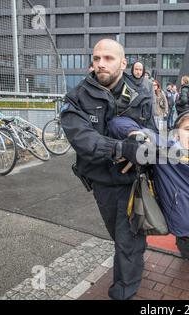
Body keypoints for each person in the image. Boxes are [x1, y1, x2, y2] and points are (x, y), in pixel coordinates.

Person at [60, 39, 155, 300]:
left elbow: (153, 135)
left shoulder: (141, 95)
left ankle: (122, 291)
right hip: (101, 184)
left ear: (123, 63)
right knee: (119, 236)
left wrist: (144, 145)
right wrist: (122, 148)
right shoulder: (77, 96)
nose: (100, 63)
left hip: (132, 183)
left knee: (127, 242)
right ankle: (134, 257)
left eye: (108, 58)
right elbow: (81, 138)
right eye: (96, 58)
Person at [107, 111, 189, 259]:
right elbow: (116, 122)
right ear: (175, 135)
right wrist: (135, 133)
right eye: (188, 129)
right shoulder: (164, 152)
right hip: (185, 238)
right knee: (187, 260)